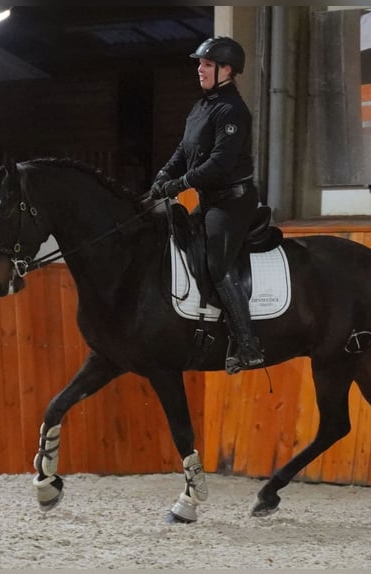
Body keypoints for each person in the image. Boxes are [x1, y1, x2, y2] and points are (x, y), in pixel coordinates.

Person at [151, 36, 263, 374]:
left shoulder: (233, 111)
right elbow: (184, 152)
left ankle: (248, 344)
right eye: (200, 64)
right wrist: (162, 177)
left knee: (217, 262)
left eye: (207, 64)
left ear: (227, 70)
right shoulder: (201, 107)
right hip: (211, 200)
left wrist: (180, 184)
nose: (199, 69)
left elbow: (220, 164)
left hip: (233, 203)